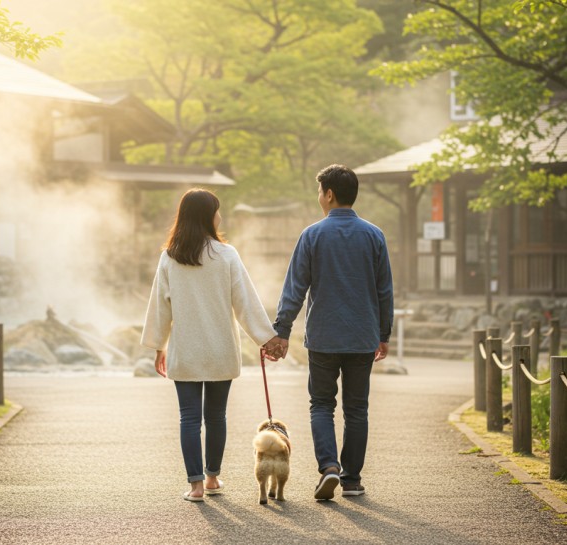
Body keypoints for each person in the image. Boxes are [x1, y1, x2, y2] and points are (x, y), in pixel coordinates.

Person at [141, 188, 282, 502]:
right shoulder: (226, 255)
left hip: (185, 350)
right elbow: (244, 302)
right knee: (216, 417)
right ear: (208, 215)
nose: (220, 215)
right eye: (217, 210)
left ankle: (195, 486)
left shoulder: (170, 257)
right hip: (220, 349)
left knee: (188, 418)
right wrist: (267, 339)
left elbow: (159, 307)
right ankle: (213, 477)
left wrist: (158, 346)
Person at [266, 164, 394, 501]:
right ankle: (351, 480)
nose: (318, 197)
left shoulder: (312, 235)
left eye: (319, 191)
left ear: (329, 194)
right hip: (362, 335)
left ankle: (329, 468)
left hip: (323, 336)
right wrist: (384, 334)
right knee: (357, 408)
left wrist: (281, 330)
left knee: (321, 405)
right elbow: (384, 291)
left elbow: (295, 288)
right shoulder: (374, 235)